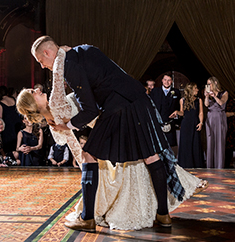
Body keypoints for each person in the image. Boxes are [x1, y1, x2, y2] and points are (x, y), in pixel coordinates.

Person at [25, 36, 205, 231]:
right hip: (138, 98)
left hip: (117, 106)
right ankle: (163, 215)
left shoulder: (69, 67)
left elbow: (91, 110)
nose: (43, 66)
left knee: (88, 156)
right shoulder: (83, 49)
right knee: (151, 156)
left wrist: (67, 126)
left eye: (41, 61)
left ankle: (87, 218)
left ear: (47, 53)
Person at [170, 82, 204, 168]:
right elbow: (182, 113)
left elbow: (200, 112)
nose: (197, 89)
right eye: (195, 88)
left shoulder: (199, 100)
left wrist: (201, 122)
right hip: (186, 124)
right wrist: (177, 112)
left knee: (195, 144)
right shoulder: (182, 100)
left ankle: (196, 165)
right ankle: (186, 164)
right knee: (186, 144)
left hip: (195, 123)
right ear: (191, 89)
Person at [149, 73, 181, 150]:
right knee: (158, 145)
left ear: (172, 81)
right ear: (162, 81)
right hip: (158, 123)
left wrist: (177, 118)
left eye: (169, 80)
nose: (167, 82)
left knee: (171, 146)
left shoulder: (176, 92)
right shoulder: (155, 91)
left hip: (170, 122)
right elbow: (150, 106)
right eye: (165, 80)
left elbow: (179, 107)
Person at [203, 77, 228, 168]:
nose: (209, 86)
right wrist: (206, 96)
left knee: (220, 141)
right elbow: (206, 105)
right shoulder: (208, 93)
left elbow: (221, 103)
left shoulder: (224, 93)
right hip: (210, 117)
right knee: (210, 141)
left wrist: (214, 96)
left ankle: (219, 165)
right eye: (208, 84)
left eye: (210, 84)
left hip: (219, 117)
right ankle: (210, 165)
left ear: (215, 83)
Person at [0, 86, 23, 153]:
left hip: (7, 124)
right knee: (17, 140)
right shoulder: (14, 100)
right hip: (16, 122)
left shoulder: (0, 103)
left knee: (8, 145)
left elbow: (0, 117)